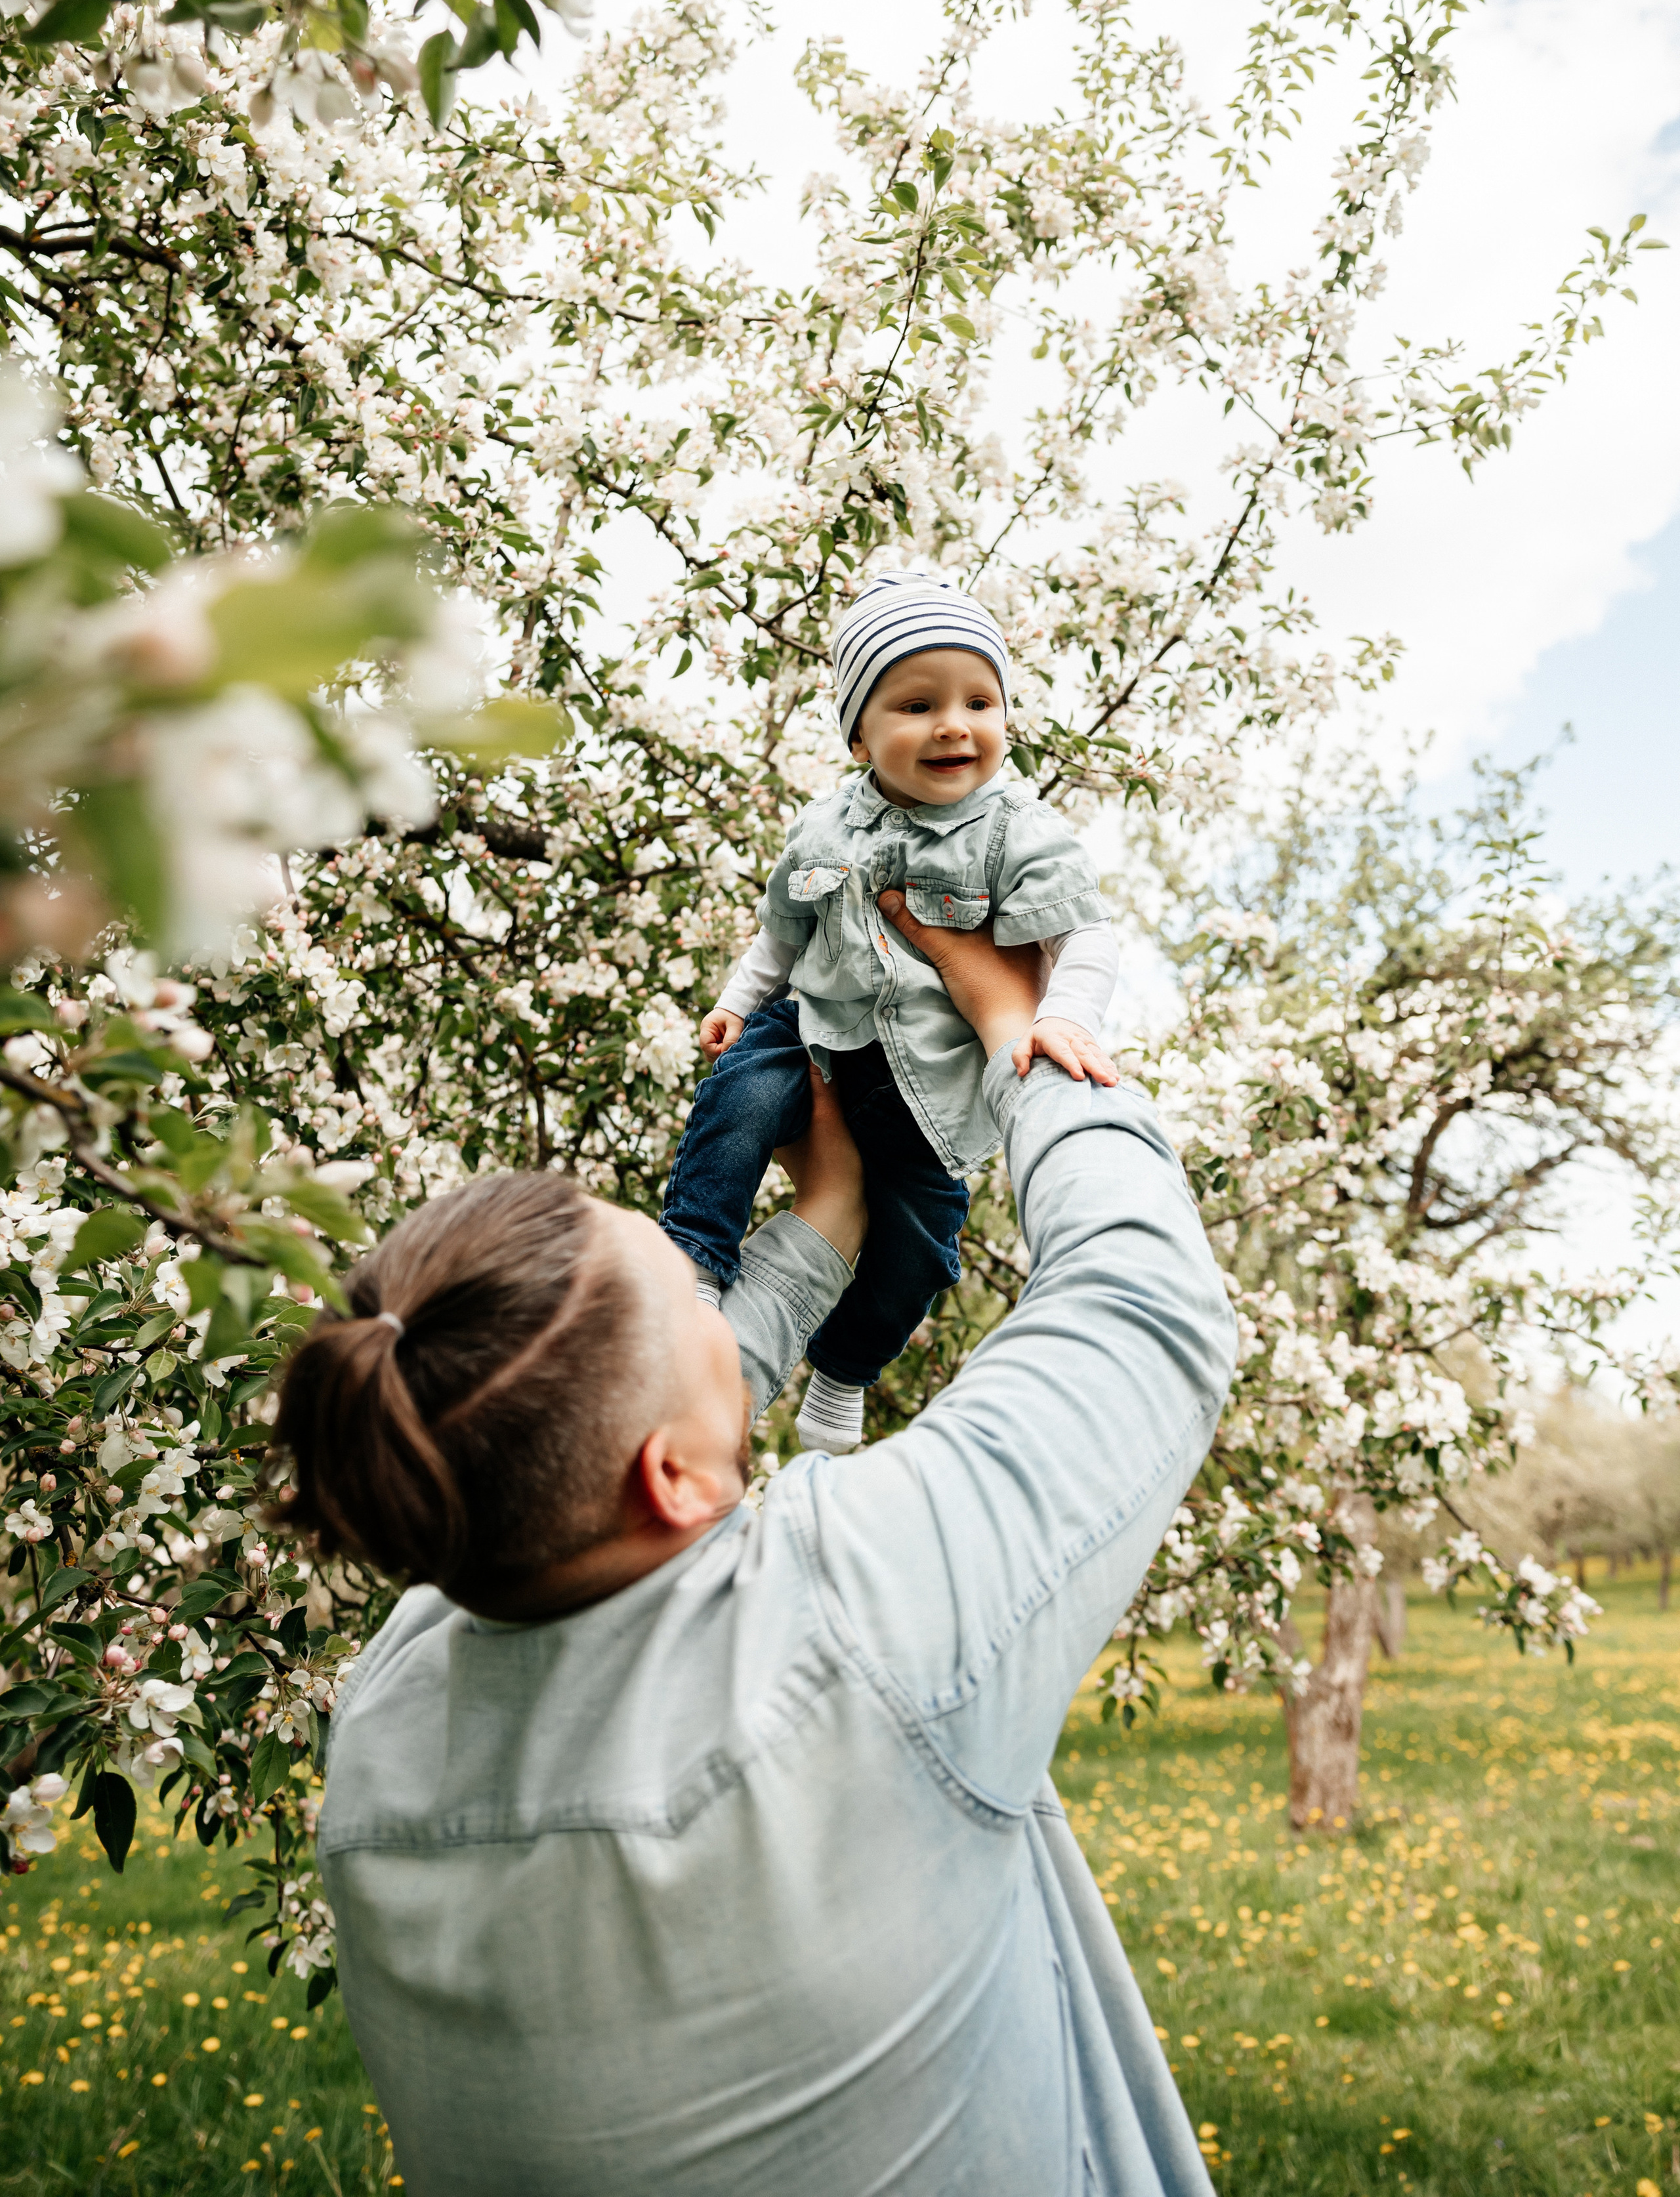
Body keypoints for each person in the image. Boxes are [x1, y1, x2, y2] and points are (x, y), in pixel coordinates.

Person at [279, 896, 1236, 2197]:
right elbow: (1144, 1304)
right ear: (666, 1477)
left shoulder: (395, 1709)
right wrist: (1023, 1029)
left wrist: (820, 1226)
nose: (719, 1317)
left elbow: (592, 1440)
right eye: (692, 1300)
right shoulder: (858, 1623)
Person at [660, 568, 1122, 1455]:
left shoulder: (1017, 829)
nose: (955, 724)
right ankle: (694, 1263)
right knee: (737, 1105)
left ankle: (843, 1370)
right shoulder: (823, 827)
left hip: (935, 1086)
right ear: (859, 735)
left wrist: (1066, 1017)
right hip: (812, 1031)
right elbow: (782, 937)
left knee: (920, 1255)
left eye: (979, 700)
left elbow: (1086, 938)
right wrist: (735, 1005)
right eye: (916, 705)